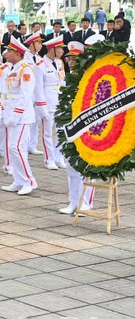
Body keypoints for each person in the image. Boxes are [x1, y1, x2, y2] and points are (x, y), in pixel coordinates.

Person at [0, 38, 37, 195]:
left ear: (17, 53)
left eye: (9, 51)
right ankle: (19, 180)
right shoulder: (13, 69)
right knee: (12, 148)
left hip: (21, 117)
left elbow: (25, 95)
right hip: (10, 114)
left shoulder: (25, 70)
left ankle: (29, 180)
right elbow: (7, 93)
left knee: (16, 147)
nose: (6, 53)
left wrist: (16, 114)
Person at [59, 42, 95, 215]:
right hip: (70, 126)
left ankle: (86, 202)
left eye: (75, 57)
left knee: (86, 166)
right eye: (69, 57)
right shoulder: (69, 77)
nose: (71, 61)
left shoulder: (89, 77)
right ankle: (74, 201)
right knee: (71, 165)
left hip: (86, 127)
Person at [36, 37, 66, 170]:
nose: (62, 51)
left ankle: (59, 158)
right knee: (47, 133)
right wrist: (41, 106)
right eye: (60, 48)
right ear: (52, 49)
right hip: (47, 102)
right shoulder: (40, 66)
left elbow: (62, 82)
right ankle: (49, 159)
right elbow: (38, 88)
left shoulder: (59, 63)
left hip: (59, 101)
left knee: (61, 131)